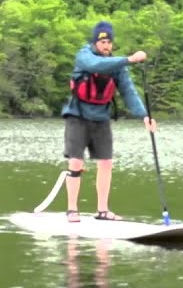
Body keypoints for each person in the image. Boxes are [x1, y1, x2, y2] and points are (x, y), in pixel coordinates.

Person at [61, 20, 156, 222]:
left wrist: (144, 115)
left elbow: (129, 92)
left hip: (101, 118)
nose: (106, 46)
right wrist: (129, 59)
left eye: (109, 42)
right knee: (76, 161)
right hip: (77, 116)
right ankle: (72, 210)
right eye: (102, 42)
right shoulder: (84, 55)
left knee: (106, 163)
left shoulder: (118, 67)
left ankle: (102, 210)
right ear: (95, 42)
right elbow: (96, 65)